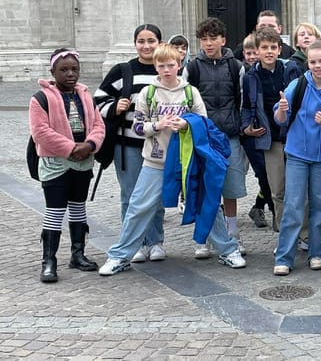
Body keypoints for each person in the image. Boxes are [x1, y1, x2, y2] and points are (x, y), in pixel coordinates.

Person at [99, 44, 246, 275]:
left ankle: (228, 250)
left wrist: (186, 124)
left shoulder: (190, 92)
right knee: (139, 207)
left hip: (188, 162)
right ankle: (120, 255)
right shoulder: (148, 93)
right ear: (155, 67)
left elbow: (204, 123)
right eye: (161, 65)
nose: (166, 69)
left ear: (179, 65)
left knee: (207, 205)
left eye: (171, 65)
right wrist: (156, 125)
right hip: (155, 161)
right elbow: (137, 126)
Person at [29, 49, 106, 282]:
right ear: (53, 71)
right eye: (64, 70)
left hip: (83, 163)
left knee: (78, 207)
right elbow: (40, 132)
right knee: (54, 210)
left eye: (74, 69)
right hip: (56, 163)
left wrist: (90, 145)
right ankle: (49, 260)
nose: (70, 74)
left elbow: (98, 125)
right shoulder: (40, 99)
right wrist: (71, 148)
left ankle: (78, 253)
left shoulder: (85, 96)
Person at [94, 24, 166, 263]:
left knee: (155, 195)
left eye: (151, 40)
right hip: (126, 146)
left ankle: (155, 242)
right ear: (135, 44)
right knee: (130, 194)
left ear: (159, 42)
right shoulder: (122, 70)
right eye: (141, 41)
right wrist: (115, 107)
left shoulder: (167, 68)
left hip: (158, 145)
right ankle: (133, 243)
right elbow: (98, 100)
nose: (146, 46)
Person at [184, 18, 248, 258]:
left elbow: (242, 100)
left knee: (230, 188)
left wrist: (240, 128)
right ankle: (205, 237)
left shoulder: (236, 67)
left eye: (213, 38)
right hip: (203, 137)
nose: (209, 43)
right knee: (205, 188)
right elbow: (186, 100)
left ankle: (232, 233)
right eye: (204, 39)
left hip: (229, 135)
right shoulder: (193, 67)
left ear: (223, 39)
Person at [272, 40, 321, 275]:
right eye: (313, 61)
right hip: (298, 153)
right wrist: (281, 108)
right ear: (307, 63)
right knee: (294, 205)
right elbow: (280, 118)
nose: (317, 65)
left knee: (319, 206)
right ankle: (284, 257)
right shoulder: (297, 85)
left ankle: (317, 253)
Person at [241, 28, 292, 231]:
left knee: (296, 189)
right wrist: (246, 128)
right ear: (257, 51)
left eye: (273, 47)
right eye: (264, 48)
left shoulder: (291, 70)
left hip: (292, 137)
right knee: (276, 189)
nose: (269, 51)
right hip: (269, 139)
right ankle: (282, 231)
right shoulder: (250, 77)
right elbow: (246, 106)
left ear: (279, 50)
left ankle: (302, 233)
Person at [239, 33, 273, 229]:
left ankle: (260, 206)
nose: (252, 56)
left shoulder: (281, 70)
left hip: (271, 132)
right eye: (249, 53)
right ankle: (269, 210)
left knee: (271, 177)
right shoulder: (245, 74)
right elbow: (242, 103)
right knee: (263, 175)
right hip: (251, 133)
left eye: (255, 52)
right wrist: (244, 127)